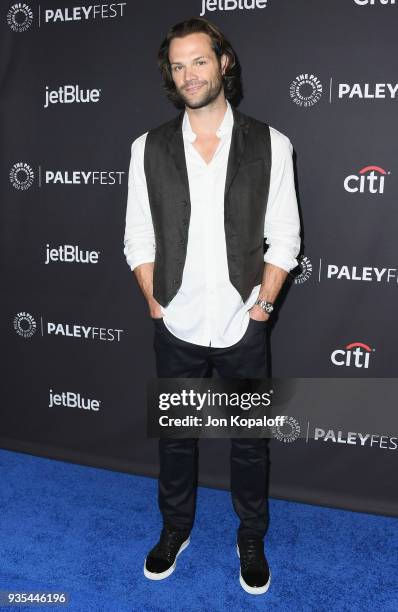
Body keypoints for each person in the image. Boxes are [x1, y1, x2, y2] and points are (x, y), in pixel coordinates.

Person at [123, 16, 301, 596]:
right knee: (177, 440)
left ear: (224, 63)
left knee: (250, 442)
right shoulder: (146, 148)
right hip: (175, 323)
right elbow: (138, 236)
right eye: (178, 66)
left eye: (199, 61)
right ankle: (175, 529)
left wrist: (263, 306)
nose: (188, 74)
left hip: (243, 324)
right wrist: (155, 300)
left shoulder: (271, 144)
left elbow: (285, 237)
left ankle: (251, 535)